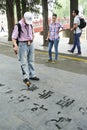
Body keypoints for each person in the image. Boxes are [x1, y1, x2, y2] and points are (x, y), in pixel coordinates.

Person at [12, 12, 39, 87]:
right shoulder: (18, 25)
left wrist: (32, 38)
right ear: (23, 18)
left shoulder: (30, 24)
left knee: (31, 60)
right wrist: (15, 46)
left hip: (31, 44)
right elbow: (14, 37)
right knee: (23, 62)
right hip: (22, 45)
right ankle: (25, 77)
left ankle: (32, 75)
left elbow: (32, 33)